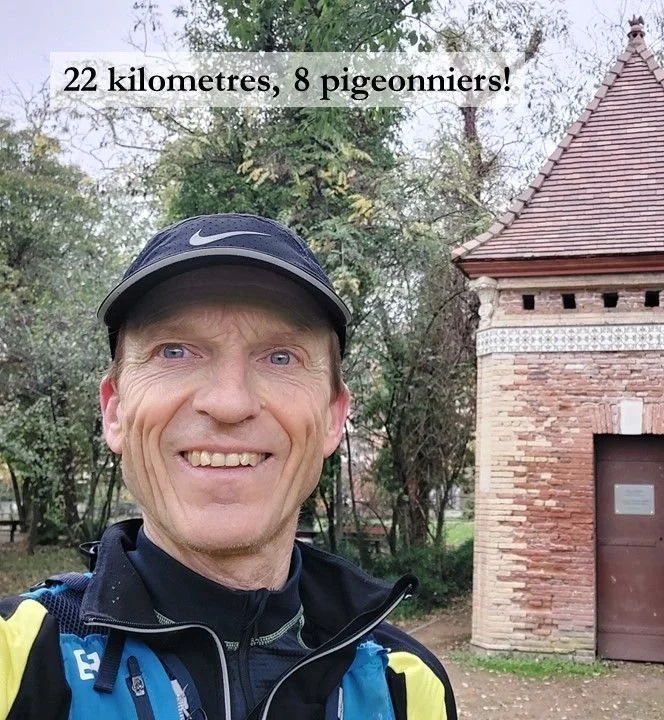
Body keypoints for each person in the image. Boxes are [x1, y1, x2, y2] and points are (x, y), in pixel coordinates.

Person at [0, 213, 457, 720]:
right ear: (115, 413)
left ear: (333, 418)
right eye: (175, 351)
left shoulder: (406, 688)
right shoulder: (18, 661)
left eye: (281, 357)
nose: (229, 403)